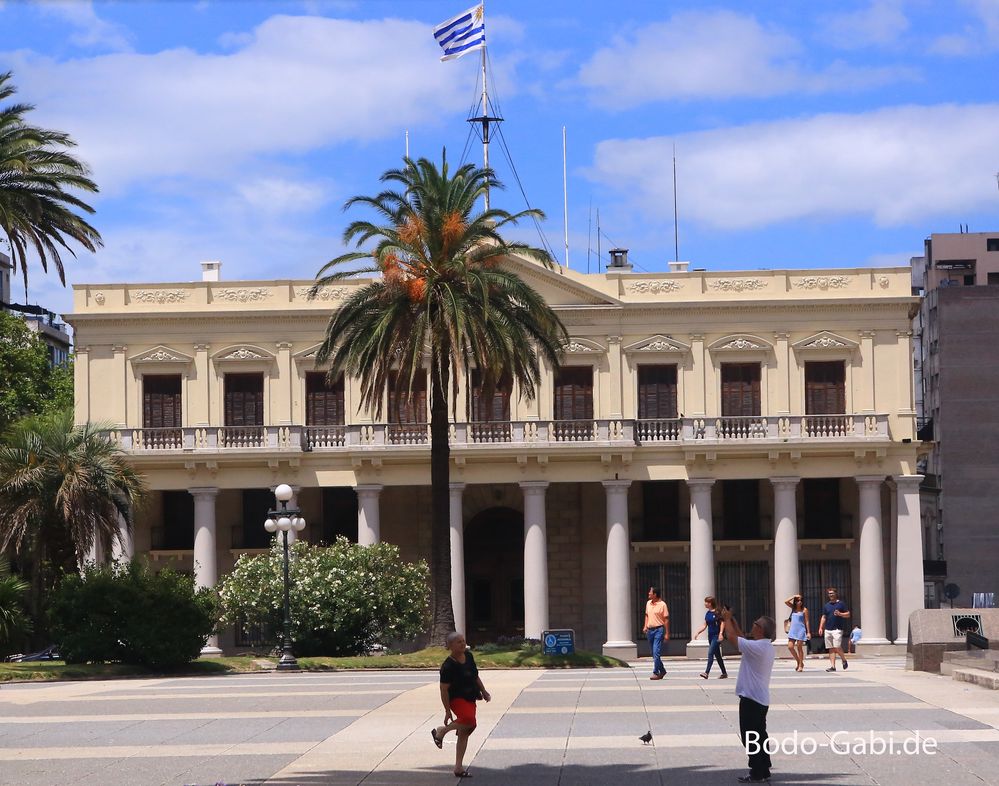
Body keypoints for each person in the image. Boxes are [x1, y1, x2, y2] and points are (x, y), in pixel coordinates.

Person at [720, 607, 777, 784]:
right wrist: (733, 620)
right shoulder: (764, 646)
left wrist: (727, 619)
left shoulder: (758, 647)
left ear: (761, 629)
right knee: (760, 734)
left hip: (751, 699)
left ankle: (756, 772)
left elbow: (732, 638)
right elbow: (741, 639)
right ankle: (764, 768)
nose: (753, 625)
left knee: (750, 736)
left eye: (755, 624)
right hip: (760, 699)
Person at [433, 632, 491, 778]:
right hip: (456, 698)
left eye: (463, 641)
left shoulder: (469, 656)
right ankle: (442, 731)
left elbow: (475, 675)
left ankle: (458, 768)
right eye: (458, 642)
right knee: (468, 720)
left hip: (471, 696)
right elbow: (443, 689)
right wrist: (447, 710)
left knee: (468, 728)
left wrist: (484, 691)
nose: (462, 643)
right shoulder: (448, 666)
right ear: (450, 646)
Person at [693, 595, 728, 679]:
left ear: (710, 603)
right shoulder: (708, 613)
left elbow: (723, 622)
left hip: (716, 636)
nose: (705, 604)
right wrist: (698, 632)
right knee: (718, 656)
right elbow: (705, 625)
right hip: (710, 636)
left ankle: (706, 672)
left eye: (706, 602)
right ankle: (724, 673)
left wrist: (721, 633)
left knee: (710, 653)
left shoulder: (717, 612)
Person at [818, 587, 851, 672]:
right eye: (829, 594)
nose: (831, 595)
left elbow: (848, 614)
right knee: (831, 648)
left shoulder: (841, 604)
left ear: (836, 594)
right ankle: (833, 666)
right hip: (828, 629)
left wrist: (840, 614)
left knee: (837, 646)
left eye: (832, 593)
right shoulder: (826, 605)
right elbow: (824, 617)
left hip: (837, 629)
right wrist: (821, 627)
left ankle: (843, 660)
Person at [642, 586, 669, 680]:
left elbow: (666, 620)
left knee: (656, 652)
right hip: (650, 630)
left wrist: (667, 633)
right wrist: (645, 626)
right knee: (653, 653)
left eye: (650, 592)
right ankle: (662, 670)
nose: (648, 593)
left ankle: (656, 672)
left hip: (659, 630)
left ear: (655, 594)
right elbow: (647, 615)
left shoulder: (662, 605)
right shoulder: (648, 603)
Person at [784, 594, 811, 672]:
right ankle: (799, 661)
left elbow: (807, 621)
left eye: (801, 600)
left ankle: (800, 665)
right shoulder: (793, 608)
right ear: (795, 602)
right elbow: (785, 601)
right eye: (798, 600)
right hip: (793, 630)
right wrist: (793, 596)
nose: (799, 602)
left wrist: (808, 632)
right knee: (790, 646)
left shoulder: (804, 610)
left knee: (799, 648)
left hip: (801, 630)